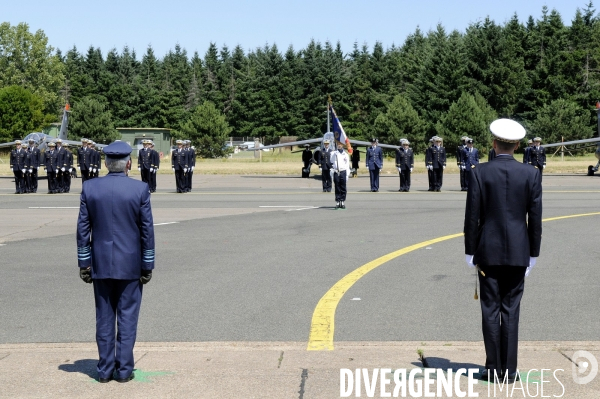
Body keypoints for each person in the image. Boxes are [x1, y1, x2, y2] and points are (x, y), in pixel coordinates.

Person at [464, 118, 542, 384]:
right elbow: (536, 218)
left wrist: (469, 250)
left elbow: (472, 216)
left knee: (490, 309)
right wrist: (534, 253)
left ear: (493, 143)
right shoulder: (531, 173)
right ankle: (509, 371)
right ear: (518, 145)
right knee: (511, 310)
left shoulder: (479, 172)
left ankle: (491, 368)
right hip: (519, 251)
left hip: (488, 251)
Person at [76, 140, 155, 384]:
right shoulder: (139, 190)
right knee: (128, 318)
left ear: (106, 163)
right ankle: (123, 371)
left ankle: (104, 370)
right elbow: (147, 232)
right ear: (128, 163)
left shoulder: (90, 188)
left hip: (100, 264)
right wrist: (147, 265)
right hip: (130, 265)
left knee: (104, 319)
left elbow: (82, 229)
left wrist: (84, 263)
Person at [331, 141, 351, 209]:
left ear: (342, 145)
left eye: (340, 144)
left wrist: (347, 175)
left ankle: (342, 201)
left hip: (343, 171)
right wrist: (334, 153)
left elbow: (347, 165)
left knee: (343, 187)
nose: (339, 145)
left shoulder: (345, 154)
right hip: (336, 171)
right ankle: (337, 200)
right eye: (338, 144)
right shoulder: (334, 153)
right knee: (337, 187)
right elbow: (331, 161)